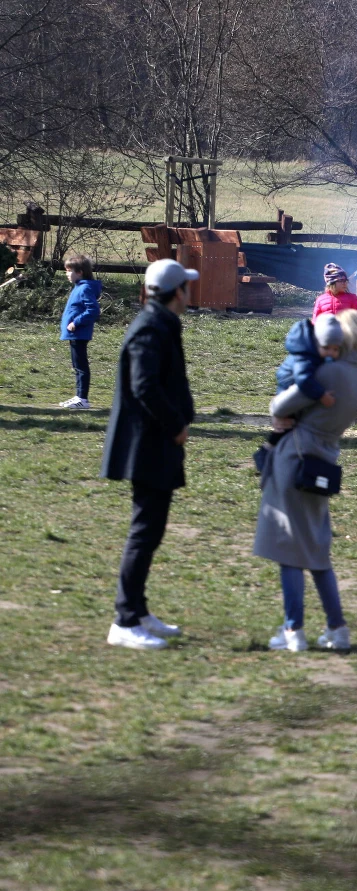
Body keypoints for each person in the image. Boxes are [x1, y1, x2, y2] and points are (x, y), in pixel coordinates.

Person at [253, 310, 357, 652]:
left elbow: (281, 403)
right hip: (325, 460)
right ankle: (337, 629)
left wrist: (279, 410)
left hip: (294, 458)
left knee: (289, 548)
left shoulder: (326, 371)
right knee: (317, 549)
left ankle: (293, 630)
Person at [99, 259, 197, 650]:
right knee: (144, 532)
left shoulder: (161, 323)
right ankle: (124, 621)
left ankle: (138, 611)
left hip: (156, 443)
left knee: (151, 530)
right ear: (178, 293)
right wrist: (176, 425)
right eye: (187, 287)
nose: (190, 292)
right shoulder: (151, 328)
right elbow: (144, 387)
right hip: (148, 444)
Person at [255, 315, 341, 466]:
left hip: (300, 389)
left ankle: (276, 455)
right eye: (326, 348)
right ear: (316, 343)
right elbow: (303, 379)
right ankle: (265, 455)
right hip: (288, 389)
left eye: (335, 349)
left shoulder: (317, 353)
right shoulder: (305, 357)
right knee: (285, 426)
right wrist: (321, 394)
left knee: (291, 427)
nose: (331, 353)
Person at [58, 253, 102, 410]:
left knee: (81, 366)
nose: (66, 274)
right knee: (77, 366)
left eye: (69, 270)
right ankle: (79, 396)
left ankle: (82, 399)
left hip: (79, 332)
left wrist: (76, 322)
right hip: (75, 333)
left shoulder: (85, 288)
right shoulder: (80, 287)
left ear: (80, 272)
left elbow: (93, 310)